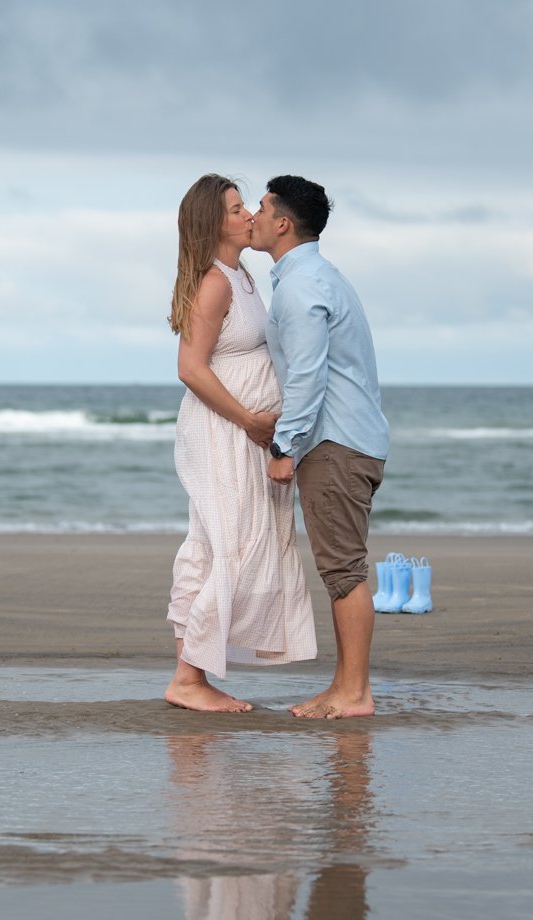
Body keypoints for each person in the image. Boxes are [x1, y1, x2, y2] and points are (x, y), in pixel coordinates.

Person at [165, 174, 318, 712]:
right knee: (224, 545)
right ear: (214, 223)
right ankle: (188, 679)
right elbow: (190, 368)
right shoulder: (215, 282)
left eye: (246, 206)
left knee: (225, 545)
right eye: (236, 210)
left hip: (243, 430)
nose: (249, 214)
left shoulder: (242, 274)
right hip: (222, 430)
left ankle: (193, 675)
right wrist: (251, 420)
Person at [250, 175, 389, 719]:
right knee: (342, 569)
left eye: (260, 208)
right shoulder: (316, 276)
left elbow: (307, 377)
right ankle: (344, 686)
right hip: (350, 440)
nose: (253, 217)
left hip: (334, 444)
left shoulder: (303, 286)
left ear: (283, 222)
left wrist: (285, 446)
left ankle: (354, 693)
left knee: (343, 571)